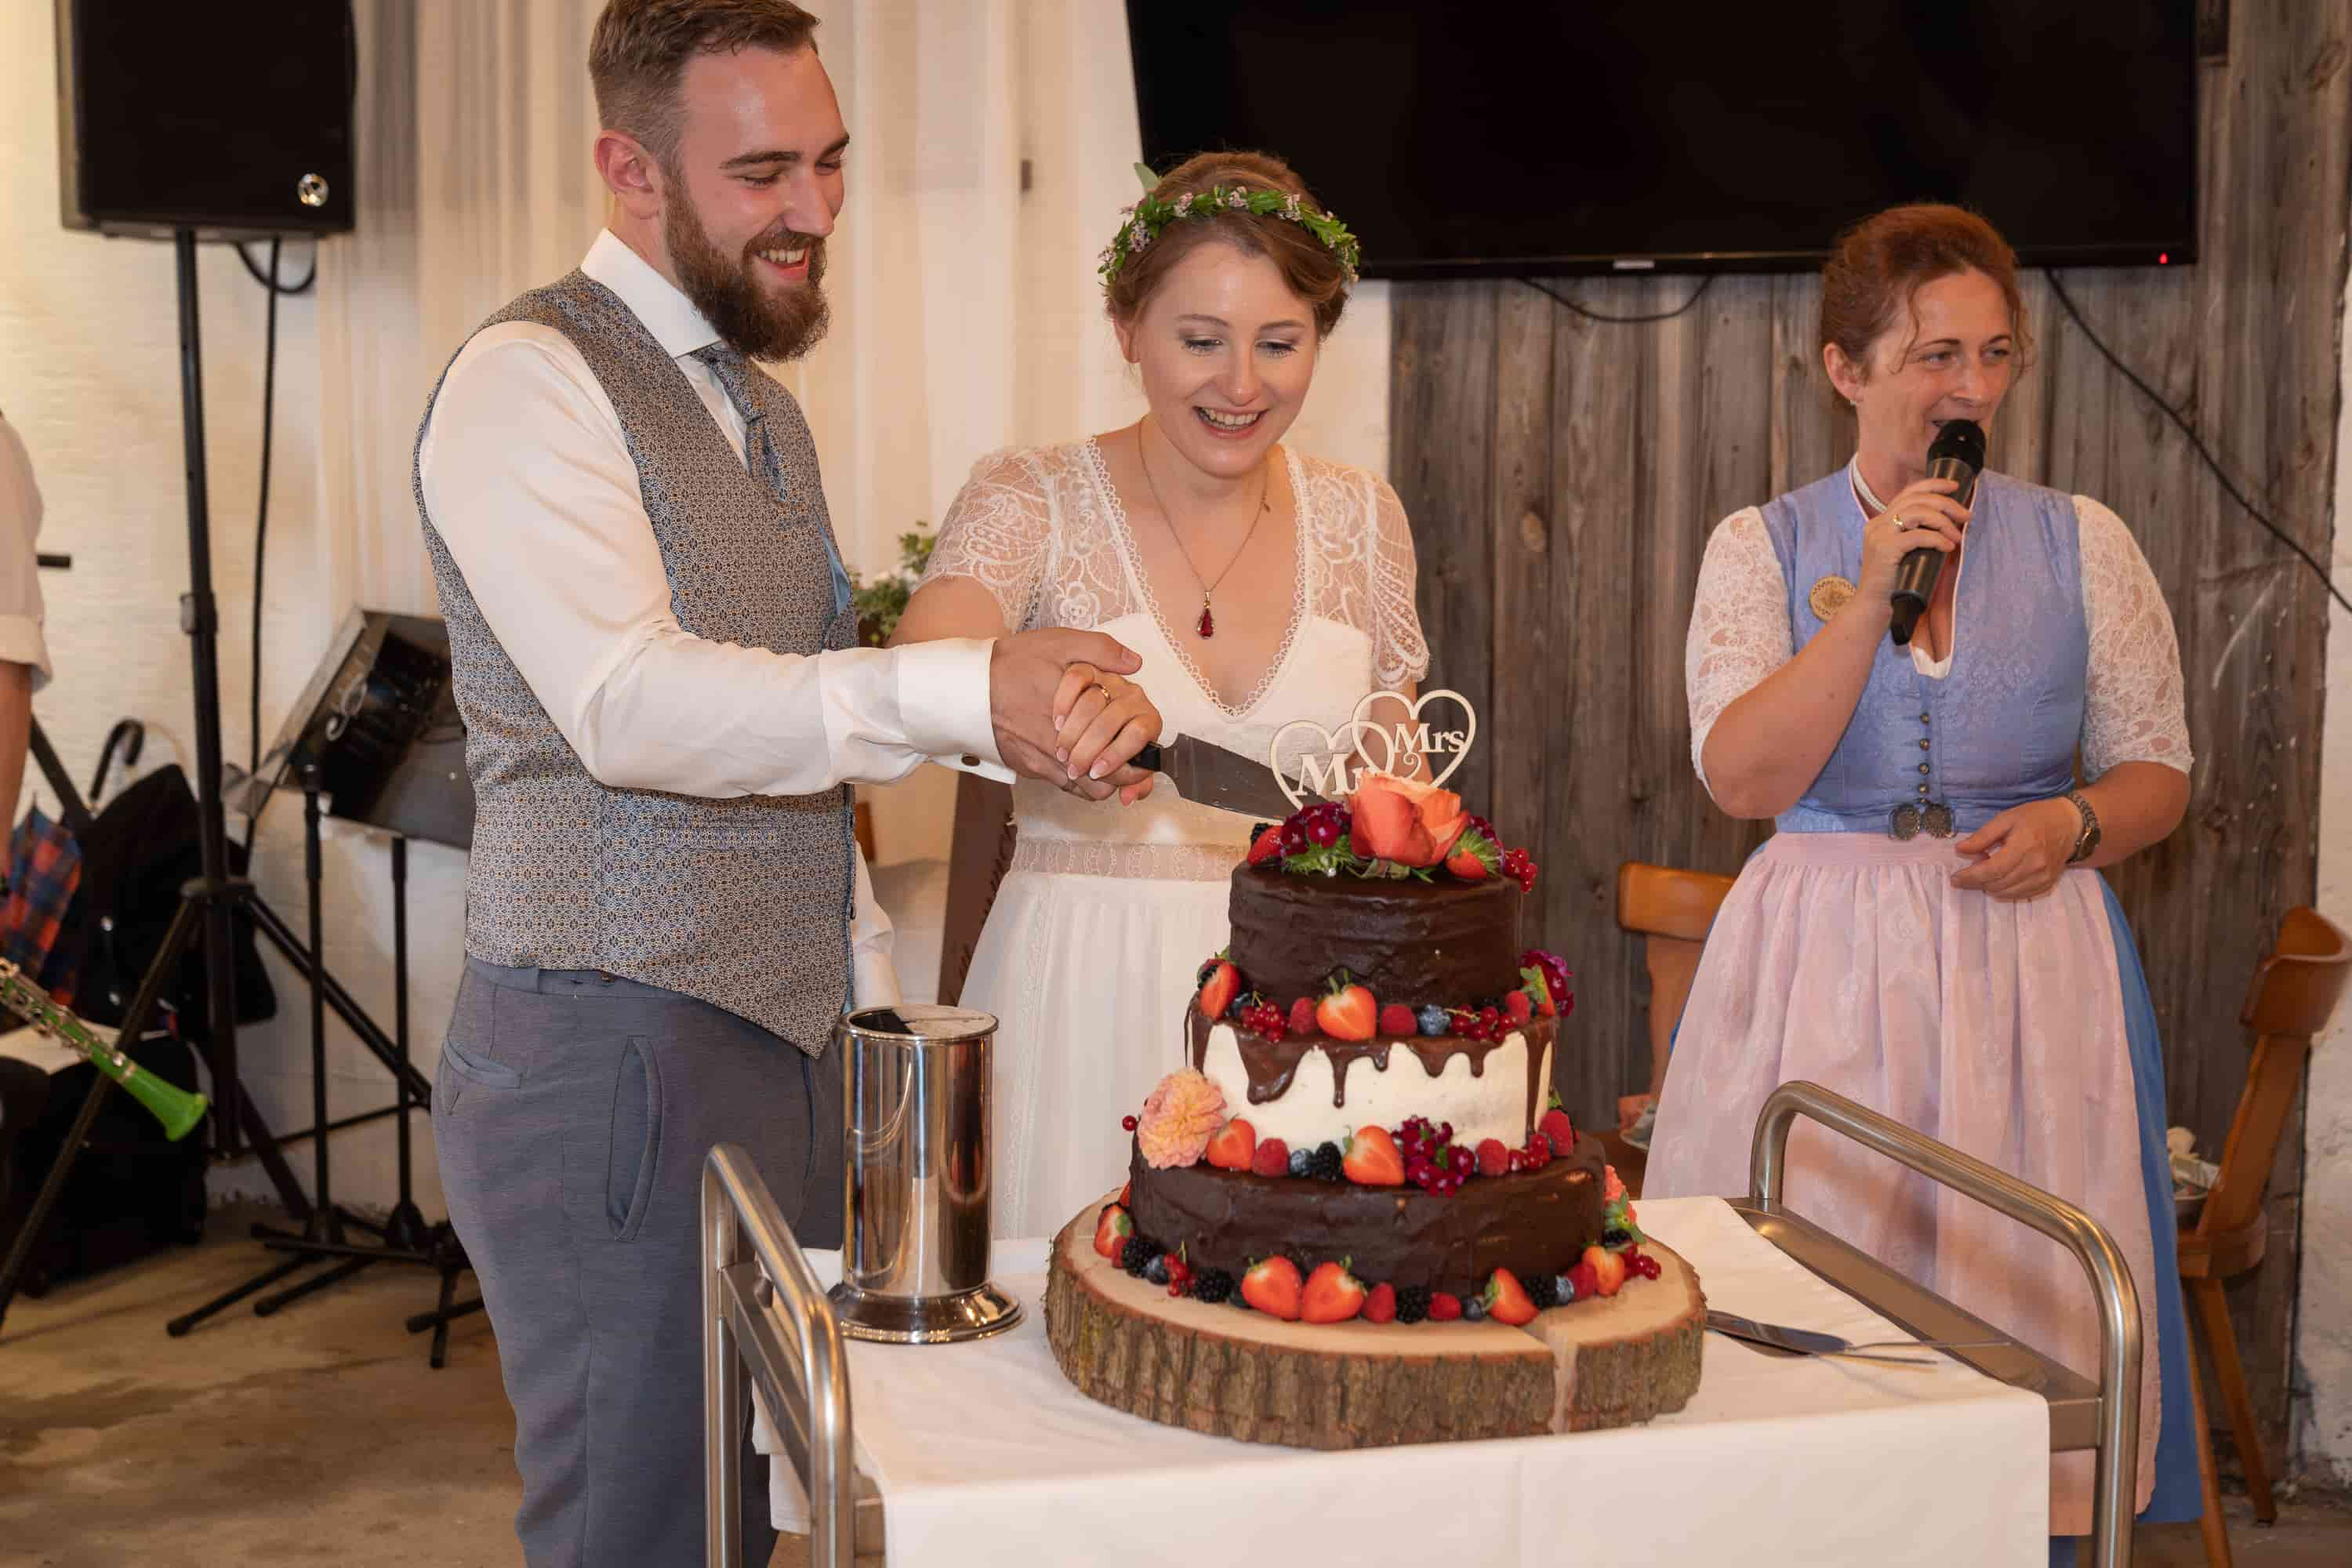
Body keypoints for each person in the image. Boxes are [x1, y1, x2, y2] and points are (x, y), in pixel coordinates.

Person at [413, 4, 1156, 1561]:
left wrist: (873, 980)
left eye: (829, 162)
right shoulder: (525, 382)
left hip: (783, 1042)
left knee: (772, 1504)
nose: (815, 212)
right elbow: (628, 706)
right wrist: (960, 687)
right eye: (762, 171)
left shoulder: (761, 406)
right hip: (607, 1054)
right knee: (646, 1516)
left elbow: (798, 731)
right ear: (628, 169)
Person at [1642, 204, 2200, 1552]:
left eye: (1995, 355)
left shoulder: (2084, 540)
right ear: (1846, 368)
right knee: (1822, 1299)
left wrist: (2073, 823)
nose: (1971, 388)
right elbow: (1744, 780)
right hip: (1820, 963)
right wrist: (1879, 576)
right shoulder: (1758, 547)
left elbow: (2160, 772)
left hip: (2029, 967)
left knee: (2023, 1306)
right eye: (1933, 355)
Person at [891, 151, 1428, 1238]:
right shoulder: (1029, 493)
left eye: (1280, 344)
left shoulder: (1365, 515)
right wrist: (1053, 713)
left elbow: (1399, 762)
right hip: (1079, 978)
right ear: (1126, 328)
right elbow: (924, 668)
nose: (1242, 385)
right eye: (1201, 341)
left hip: (1306, 1001)